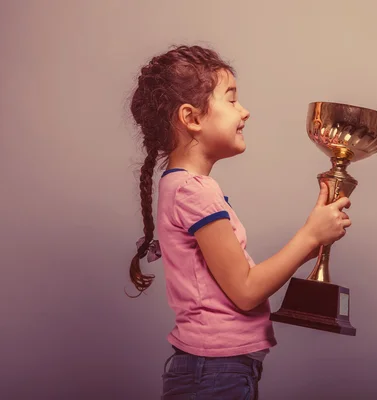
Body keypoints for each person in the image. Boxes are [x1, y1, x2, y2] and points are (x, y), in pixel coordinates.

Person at [127, 44, 352, 399]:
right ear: (192, 118)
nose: (244, 111)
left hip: (218, 369)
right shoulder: (194, 192)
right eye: (231, 100)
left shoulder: (184, 187)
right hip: (215, 373)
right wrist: (309, 236)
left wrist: (314, 242)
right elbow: (246, 291)